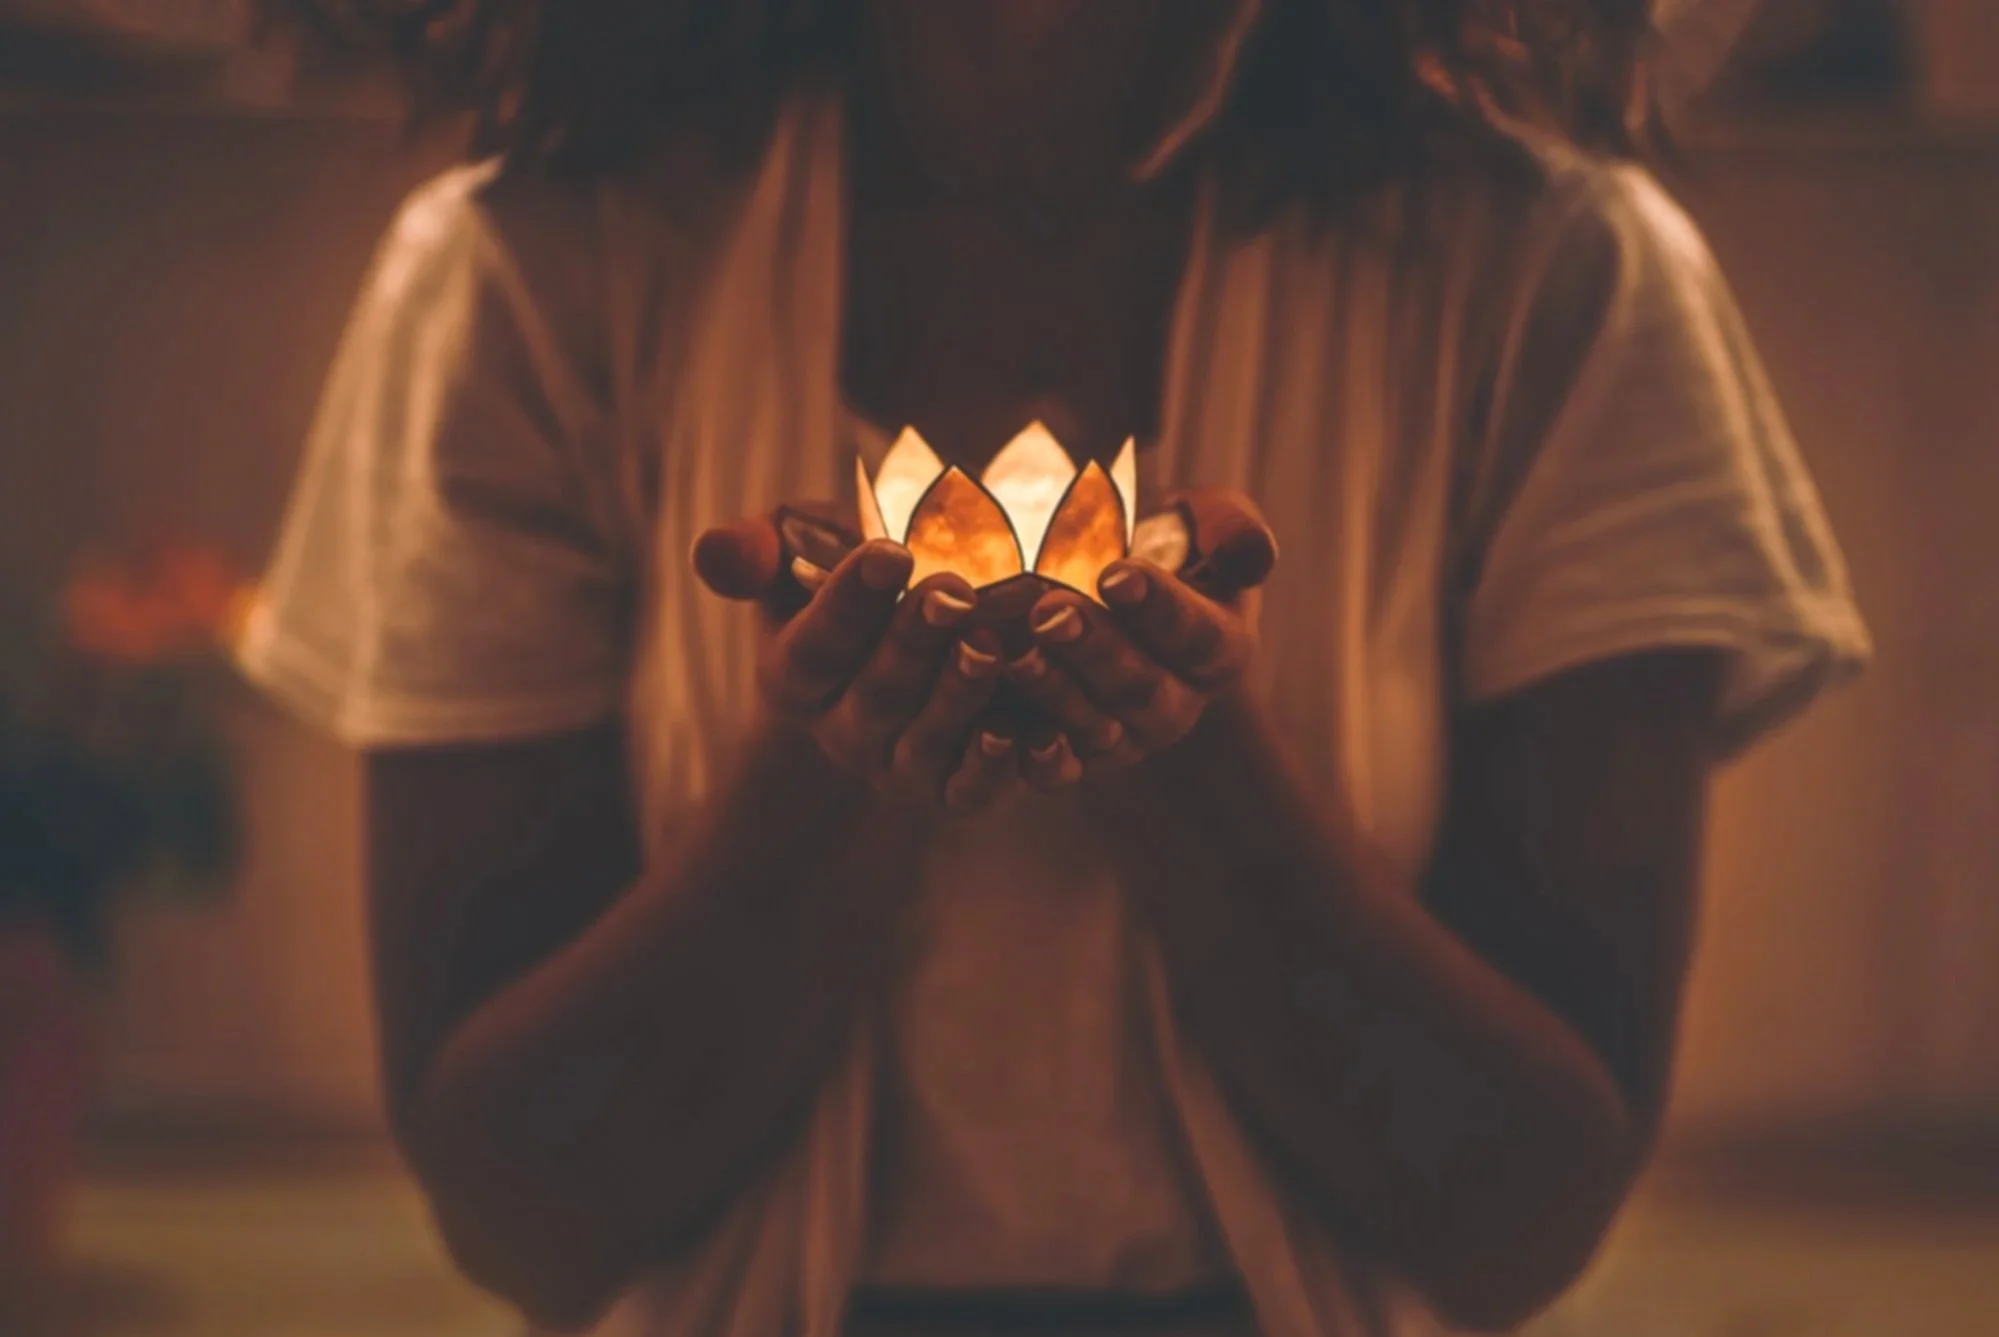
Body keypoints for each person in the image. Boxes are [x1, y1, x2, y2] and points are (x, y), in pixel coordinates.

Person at [240, 2, 1873, 1334]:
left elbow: (1518, 1215)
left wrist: (1184, 761)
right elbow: (519, 1208)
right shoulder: (536, 274)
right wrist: (832, 770)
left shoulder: (1554, 277)